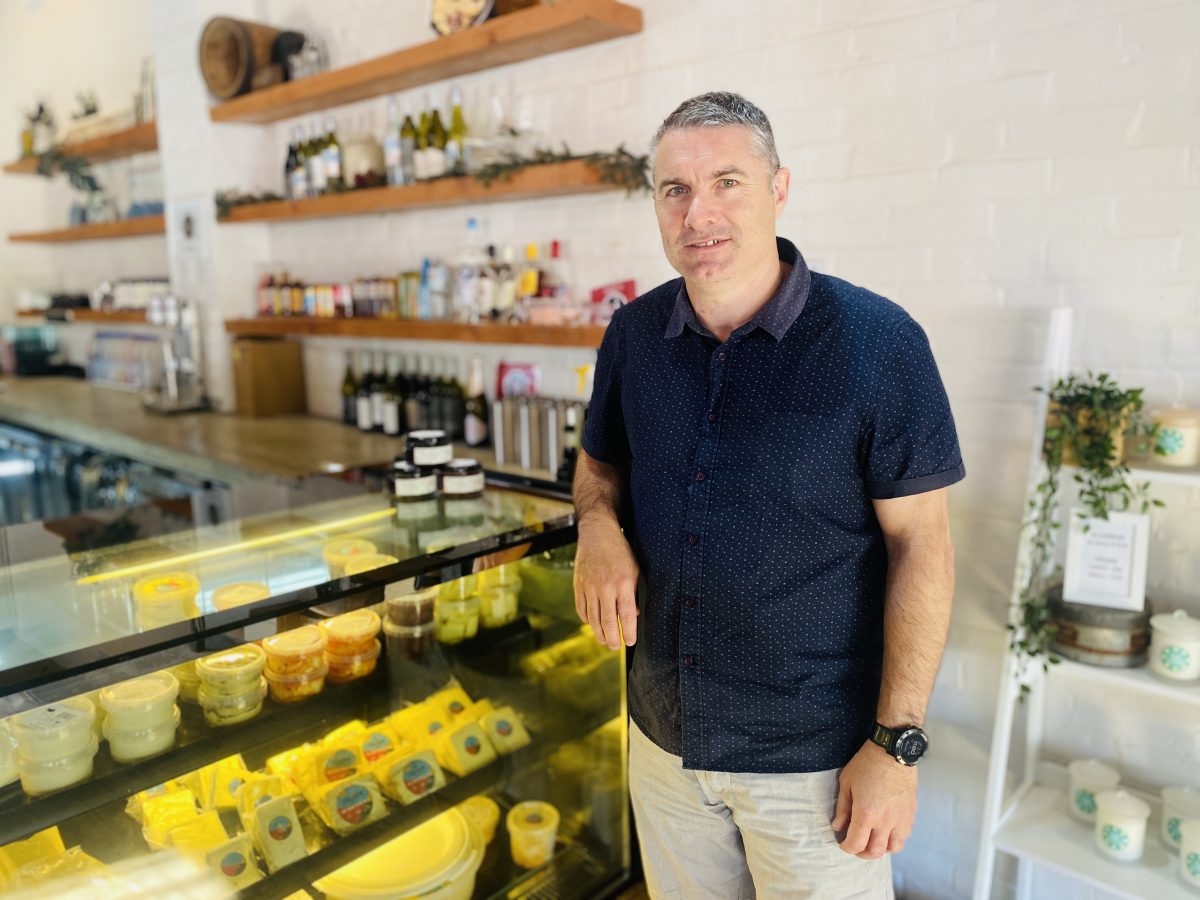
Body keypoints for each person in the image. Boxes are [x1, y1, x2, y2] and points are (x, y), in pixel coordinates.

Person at [573, 92, 964, 898]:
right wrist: (597, 527)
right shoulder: (634, 335)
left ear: (779, 189)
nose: (698, 212)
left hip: (814, 762)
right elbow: (597, 470)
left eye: (727, 182)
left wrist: (896, 748)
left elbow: (921, 546)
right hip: (663, 739)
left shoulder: (878, 343)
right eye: (674, 190)